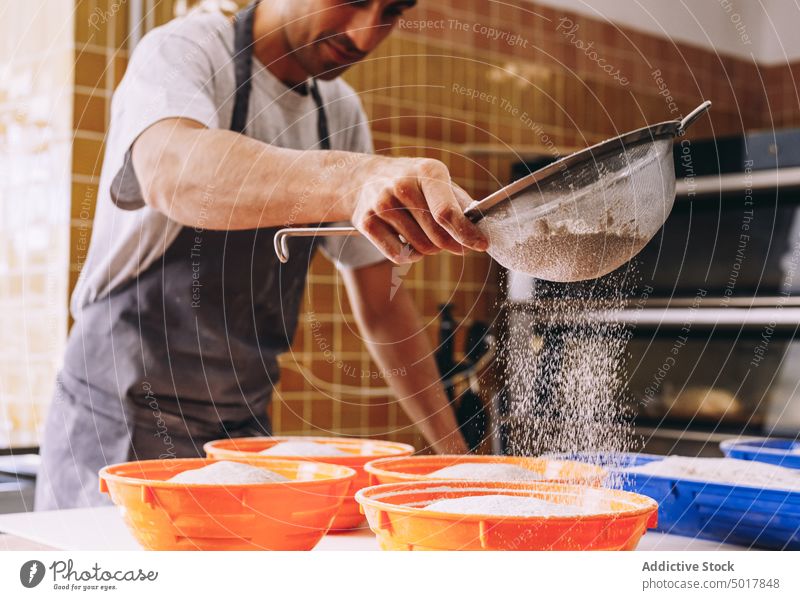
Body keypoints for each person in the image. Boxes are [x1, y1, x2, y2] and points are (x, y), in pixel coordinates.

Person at [34, 0, 490, 510]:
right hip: (120, 422)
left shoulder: (337, 114)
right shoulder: (188, 49)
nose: (365, 36)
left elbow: (383, 308)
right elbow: (173, 172)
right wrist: (350, 179)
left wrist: (457, 464)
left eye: (391, 12)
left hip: (241, 433)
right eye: (356, 0)